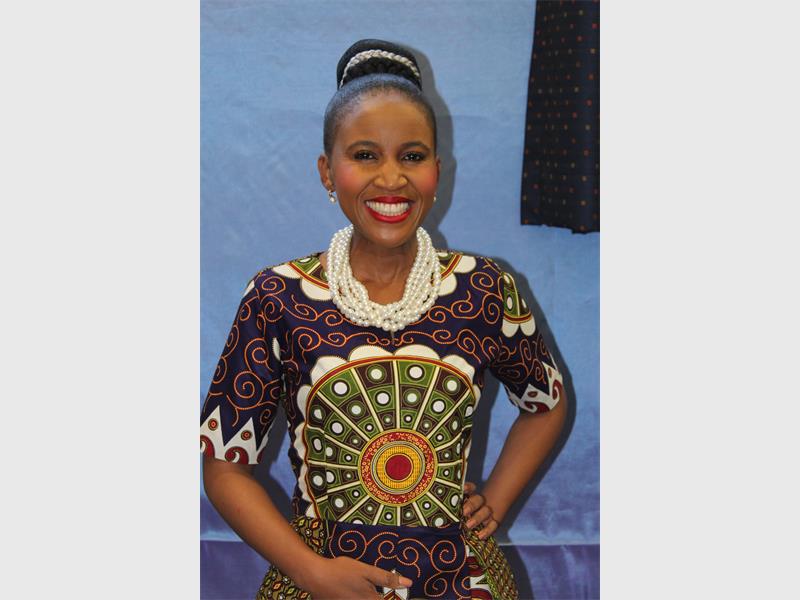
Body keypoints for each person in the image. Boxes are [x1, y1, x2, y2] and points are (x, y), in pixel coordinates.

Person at [200, 39, 567, 600]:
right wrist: (310, 571)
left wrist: (494, 499)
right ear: (327, 171)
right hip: (320, 581)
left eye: (412, 156)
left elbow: (546, 403)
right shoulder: (277, 297)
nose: (391, 178)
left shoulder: (485, 289)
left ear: (437, 171)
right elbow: (224, 467)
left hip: (461, 582)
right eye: (365, 155)